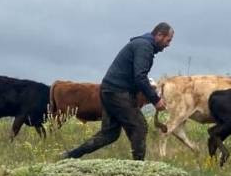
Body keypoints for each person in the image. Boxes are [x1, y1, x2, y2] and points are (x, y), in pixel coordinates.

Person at [62, 22, 173, 161]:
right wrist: (156, 100)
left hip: (109, 90)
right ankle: (138, 170)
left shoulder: (141, 44)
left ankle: (70, 155)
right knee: (139, 127)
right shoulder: (145, 47)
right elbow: (140, 77)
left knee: (109, 134)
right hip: (118, 92)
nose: (168, 44)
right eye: (168, 40)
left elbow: (136, 77)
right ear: (159, 35)